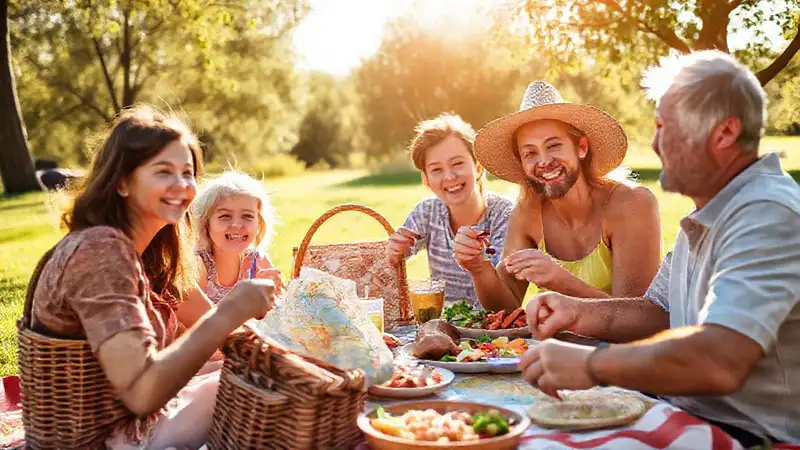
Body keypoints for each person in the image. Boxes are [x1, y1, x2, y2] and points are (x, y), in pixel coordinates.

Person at [520, 51, 800, 446]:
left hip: (752, 436)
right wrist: (577, 311)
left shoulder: (766, 213)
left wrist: (592, 363)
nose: (654, 144)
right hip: (685, 412)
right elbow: (657, 312)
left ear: (723, 133)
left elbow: (719, 360)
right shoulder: (709, 212)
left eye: (667, 128)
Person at [27, 105, 275, 449]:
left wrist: (270, 345)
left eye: (187, 173)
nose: (181, 185)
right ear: (123, 182)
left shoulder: (149, 250)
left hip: (128, 420)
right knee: (258, 394)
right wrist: (231, 310)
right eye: (163, 172)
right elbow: (142, 394)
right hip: (104, 439)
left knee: (250, 379)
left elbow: (211, 332)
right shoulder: (101, 252)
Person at [454, 81, 662, 311]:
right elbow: (504, 307)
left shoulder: (631, 204)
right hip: (552, 345)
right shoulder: (526, 215)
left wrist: (561, 282)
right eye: (530, 153)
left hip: (621, 348)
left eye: (553, 146)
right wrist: (479, 268)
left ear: (581, 147)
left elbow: (637, 318)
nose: (543, 161)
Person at [385, 113, 514, 307]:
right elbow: (395, 257)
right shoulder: (427, 213)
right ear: (426, 180)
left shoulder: (504, 215)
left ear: (478, 168)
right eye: (436, 169)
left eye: (457, 164)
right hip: (443, 328)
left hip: (493, 329)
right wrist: (394, 252)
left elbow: (506, 299)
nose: (450, 176)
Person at [191, 171, 284, 304]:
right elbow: (195, 322)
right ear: (206, 223)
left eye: (247, 216)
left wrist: (275, 296)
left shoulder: (257, 261)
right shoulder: (198, 265)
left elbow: (282, 314)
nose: (237, 224)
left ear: (259, 223)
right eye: (225, 216)